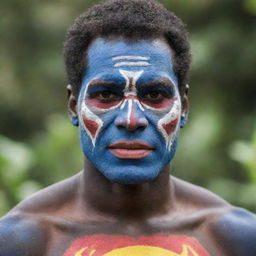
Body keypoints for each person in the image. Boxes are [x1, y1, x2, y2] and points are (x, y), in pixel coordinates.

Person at [0, 0, 255, 255]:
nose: (131, 120)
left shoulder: (235, 238)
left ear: (184, 108)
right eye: (106, 95)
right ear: (73, 107)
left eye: (154, 95)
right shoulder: (21, 240)